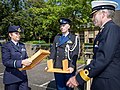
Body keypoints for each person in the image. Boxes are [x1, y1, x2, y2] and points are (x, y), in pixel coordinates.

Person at [67, 1, 120, 90]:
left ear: (103, 14)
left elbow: (103, 58)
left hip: (108, 83)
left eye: (94, 15)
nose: (92, 19)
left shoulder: (112, 29)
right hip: (102, 80)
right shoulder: (104, 30)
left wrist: (79, 78)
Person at [49, 18, 80, 90]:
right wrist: (50, 64)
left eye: (64, 25)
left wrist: (72, 66)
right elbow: (53, 51)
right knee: (60, 87)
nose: (62, 27)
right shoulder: (57, 37)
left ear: (68, 26)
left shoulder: (73, 38)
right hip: (58, 66)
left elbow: (75, 53)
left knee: (69, 86)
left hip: (68, 66)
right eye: (61, 26)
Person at [1, 25, 32, 90]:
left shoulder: (22, 45)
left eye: (19, 33)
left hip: (23, 77)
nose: (18, 35)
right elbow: (6, 62)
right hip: (12, 78)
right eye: (16, 33)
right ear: (10, 35)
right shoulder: (6, 46)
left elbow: (25, 57)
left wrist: (31, 60)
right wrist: (21, 62)